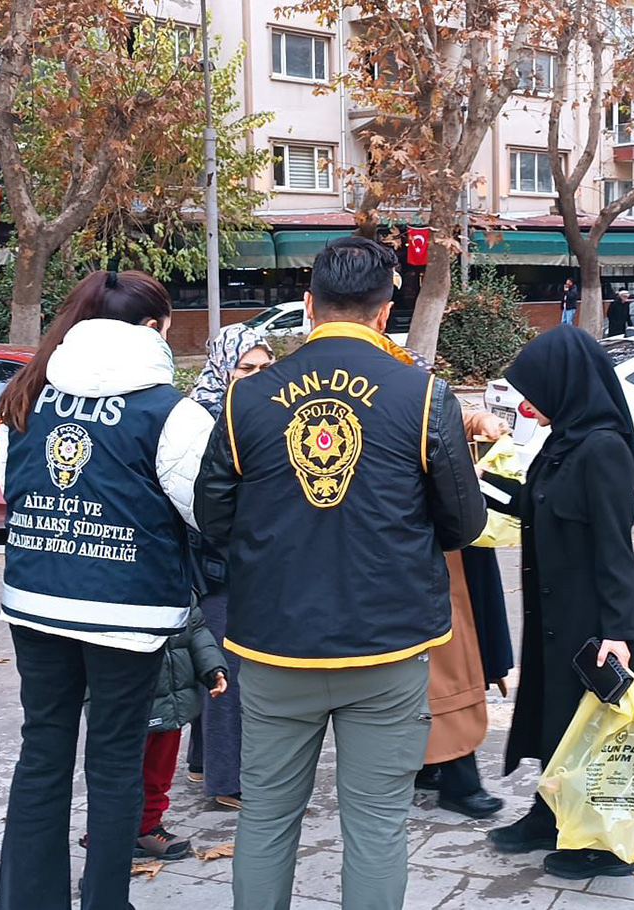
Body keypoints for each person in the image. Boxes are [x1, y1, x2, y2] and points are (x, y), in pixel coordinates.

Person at [195, 236, 486, 910]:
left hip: (273, 648)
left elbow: (214, 517)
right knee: (378, 826)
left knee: (265, 817)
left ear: (308, 306)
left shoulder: (245, 399)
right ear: (385, 312)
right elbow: (464, 523)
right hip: (388, 644)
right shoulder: (424, 395)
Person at [0, 269, 213, 910]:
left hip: (35, 601)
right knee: (115, 762)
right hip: (128, 611)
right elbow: (202, 511)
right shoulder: (171, 412)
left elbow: (15, 490)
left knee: (42, 751)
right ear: (151, 329)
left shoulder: (25, 396)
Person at [481, 326, 634, 881]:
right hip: (555, 615)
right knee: (556, 717)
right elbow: (538, 504)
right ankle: (552, 814)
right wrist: (481, 484)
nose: (524, 403)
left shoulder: (603, 449)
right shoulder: (565, 438)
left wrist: (618, 632)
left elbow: (615, 547)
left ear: (565, 385)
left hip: (597, 617)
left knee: (600, 732)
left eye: (534, 389)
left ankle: (611, 844)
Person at [187, 323, 276, 809]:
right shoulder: (204, 417)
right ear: (223, 368)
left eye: (265, 368)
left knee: (214, 662)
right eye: (246, 368)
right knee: (229, 668)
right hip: (217, 560)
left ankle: (203, 763)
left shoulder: (250, 412)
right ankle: (228, 780)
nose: (257, 377)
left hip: (232, 557)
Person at [417, 408, 516, 820]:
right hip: (425, 552)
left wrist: (479, 421)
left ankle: (429, 766)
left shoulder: (404, 389)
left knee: (445, 662)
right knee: (448, 665)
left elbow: (444, 411)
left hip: (454, 546)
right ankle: (460, 779)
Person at [80, 602, 230, 862]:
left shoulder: (177, 580)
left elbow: (196, 628)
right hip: (124, 700)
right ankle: (105, 838)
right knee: (118, 773)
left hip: (171, 699)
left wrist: (212, 667)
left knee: (159, 772)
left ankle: (147, 828)